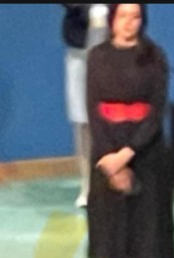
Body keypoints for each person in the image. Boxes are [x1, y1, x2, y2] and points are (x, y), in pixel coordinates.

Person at [85, 3, 174, 258]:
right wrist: (111, 160)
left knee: (146, 232)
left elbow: (156, 112)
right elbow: (94, 110)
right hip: (107, 152)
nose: (129, 23)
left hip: (146, 153)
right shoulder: (97, 57)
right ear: (112, 19)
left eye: (135, 17)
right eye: (123, 16)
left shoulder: (156, 56)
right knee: (116, 233)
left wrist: (127, 154)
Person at [61, 4, 110, 208]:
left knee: (114, 116)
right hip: (80, 50)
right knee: (82, 121)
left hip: (117, 46)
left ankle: (115, 180)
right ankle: (87, 186)